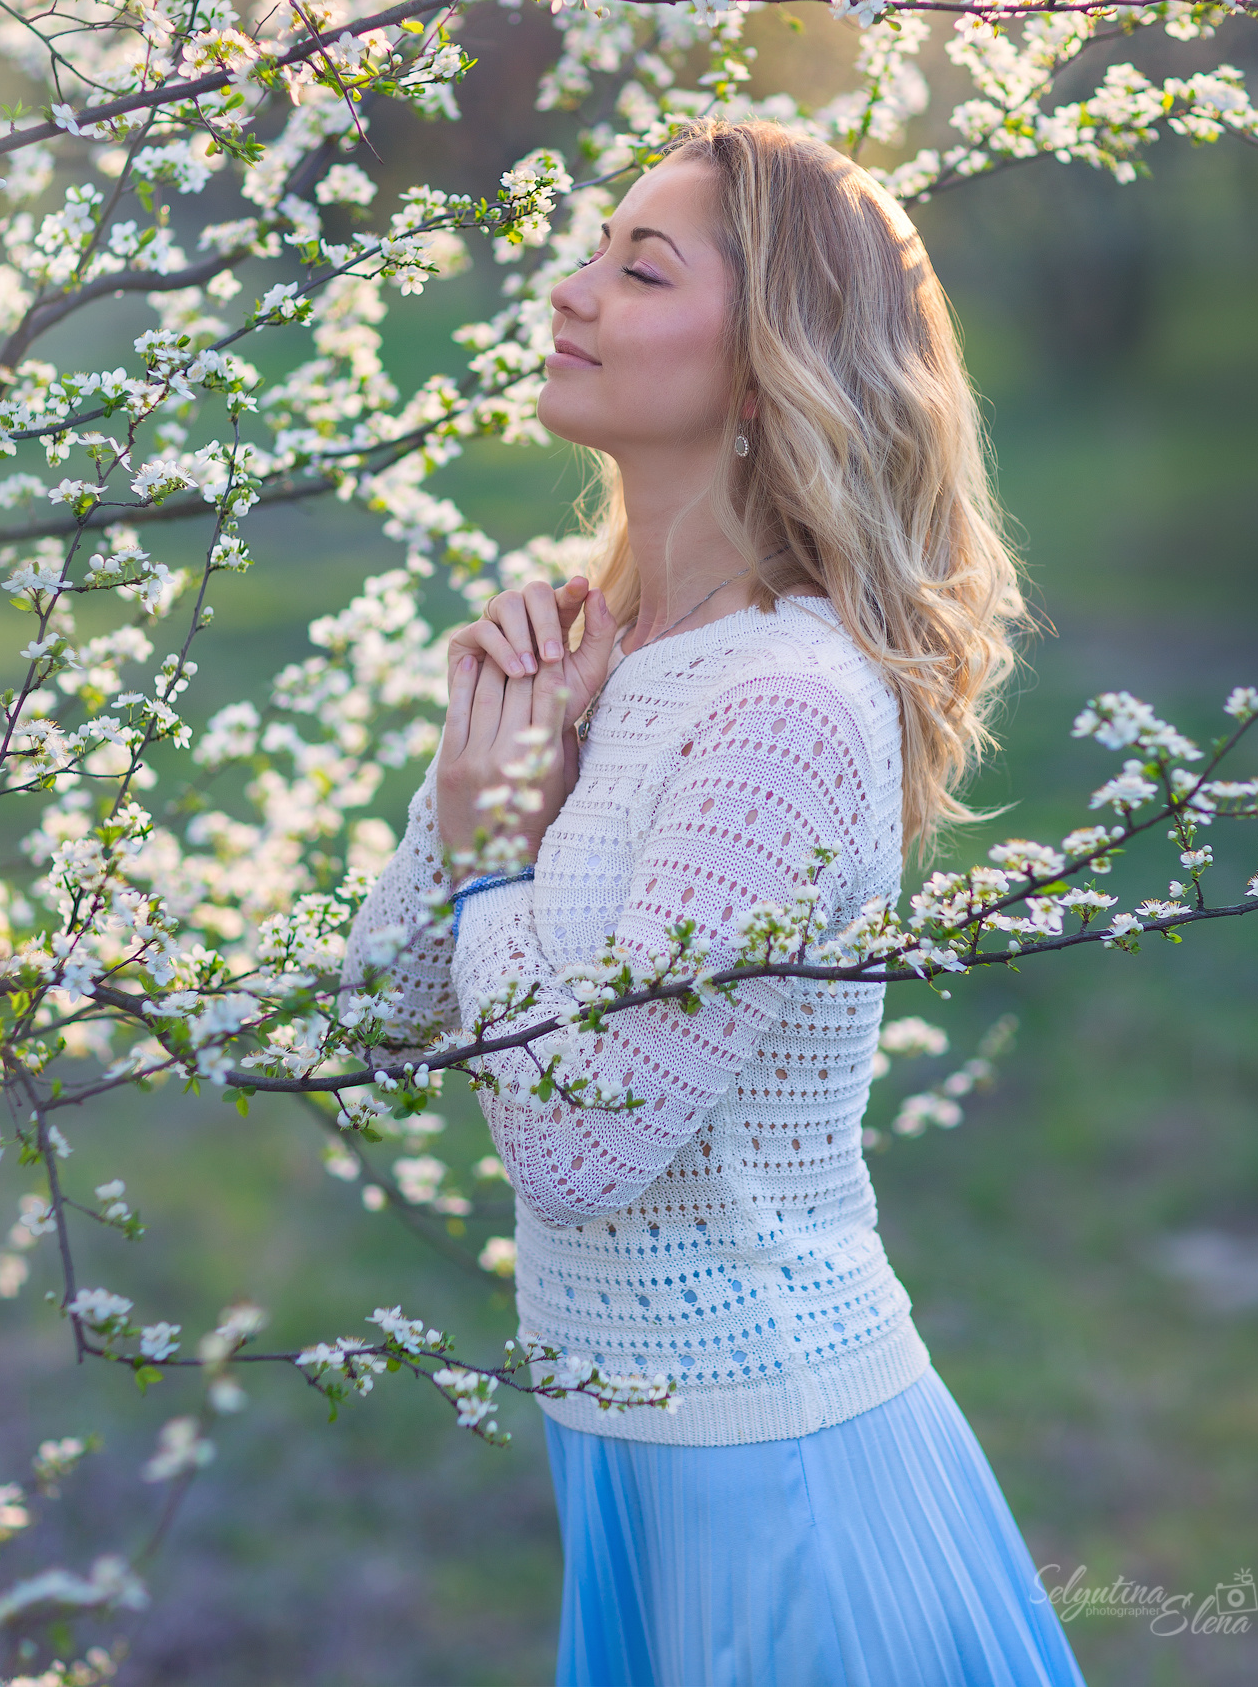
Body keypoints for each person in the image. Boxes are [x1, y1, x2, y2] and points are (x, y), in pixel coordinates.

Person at [342, 120, 1086, 1686]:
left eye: (641, 269)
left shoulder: (785, 707)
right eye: (594, 254)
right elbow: (380, 1011)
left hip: (775, 1470)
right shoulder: (596, 648)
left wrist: (499, 854)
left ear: (765, 366)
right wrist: (480, 775)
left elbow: (579, 1150)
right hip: (622, 1454)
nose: (572, 290)